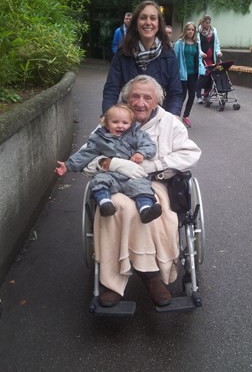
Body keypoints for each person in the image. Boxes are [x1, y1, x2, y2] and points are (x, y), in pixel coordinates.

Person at [87, 75, 201, 308]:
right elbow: (84, 160)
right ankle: (117, 282)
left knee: (147, 206)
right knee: (119, 206)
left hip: (153, 182)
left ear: (157, 100)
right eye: (135, 96)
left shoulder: (170, 123)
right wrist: (112, 164)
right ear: (126, 99)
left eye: (147, 97)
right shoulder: (111, 121)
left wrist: (152, 165)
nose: (140, 102)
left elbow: (190, 154)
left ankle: (148, 275)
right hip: (113, 182)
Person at [55, 104, 162, 224]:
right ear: (106, 123)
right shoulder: (99, 139)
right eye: (115, 122)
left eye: (125, 123)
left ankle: (145, 210)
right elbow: (86, 154)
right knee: (99, 180)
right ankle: (105, 203)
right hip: (110, 173)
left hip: (132, 174)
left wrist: (141, 153)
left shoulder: (137, 134)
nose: (120, 126)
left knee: (142, 185)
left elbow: (150, 145)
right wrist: (68, 165)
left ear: (131, 123)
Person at [102, 0, 184, 117]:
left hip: (158, 121)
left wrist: (172, 118)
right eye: (143, 18)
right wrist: (107, 115)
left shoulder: (168, 55)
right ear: (136, 23)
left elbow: (175, 93)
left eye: (153, 18)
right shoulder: (123, 53)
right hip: (128, 120)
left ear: (159, 24)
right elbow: (111, 89)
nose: (148, 22)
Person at [174, 22, 205, 128]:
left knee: (192, 95)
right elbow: (175, 58)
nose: (190, 31)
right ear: (185, 31)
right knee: (181, 97)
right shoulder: (179, 43)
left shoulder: (196, 43)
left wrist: (201, 70)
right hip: (182, 74)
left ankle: (186, 116)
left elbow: (199, 58)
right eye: (188, 29)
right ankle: (176, 116)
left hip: (193, 74)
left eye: (192, 30)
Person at [196, 15, 223, 104]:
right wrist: (201, 53)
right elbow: (197, 45)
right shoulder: (198, 32)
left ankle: (206, 96)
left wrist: (218, 52)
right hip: (202, 59)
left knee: (210, 77)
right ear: (202, 23)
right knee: (202, 77)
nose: (208, 24)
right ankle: (199, 95)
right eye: (206, 22)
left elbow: (216, 43)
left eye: (209, 22)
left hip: (211, 59)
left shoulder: (213, 31)